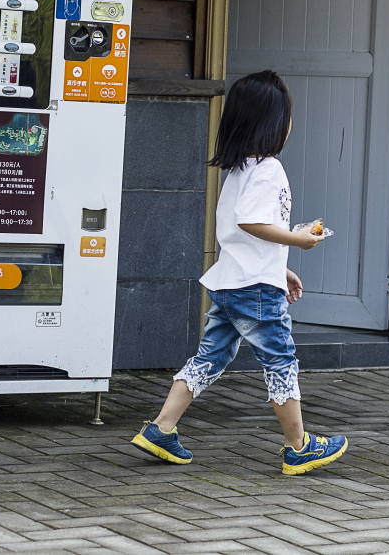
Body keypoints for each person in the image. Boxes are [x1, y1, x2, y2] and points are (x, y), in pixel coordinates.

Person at [130, 70, 347, 476]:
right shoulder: (268, 169)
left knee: (210, 357)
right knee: (280, 360)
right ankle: (298, 446)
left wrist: (280, 267)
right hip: (254, 289)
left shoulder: (239, 170)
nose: (290, 124)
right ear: (272, 123)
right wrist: (297, 241)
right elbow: (252, 223)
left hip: (232, 281)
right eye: (288, 116)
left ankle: (161, 428)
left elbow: (243, 233)